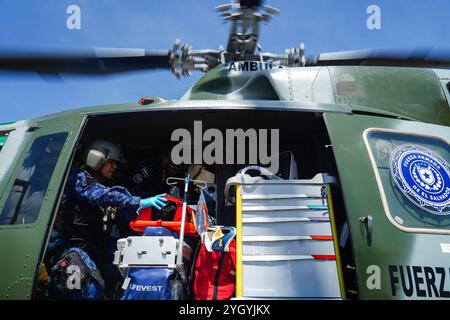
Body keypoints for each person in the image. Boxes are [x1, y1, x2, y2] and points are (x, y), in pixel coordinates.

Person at [46, 140, 168, 299]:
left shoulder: (102, 184)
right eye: (111, 162)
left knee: (121, 274)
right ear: (97, 159)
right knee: (90, 291)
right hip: (66, 245)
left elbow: (115, 213)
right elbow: (101, 195)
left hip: (92, 244)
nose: (115, 167)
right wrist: (137, 201)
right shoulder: (78, 178)